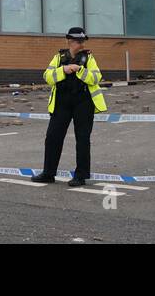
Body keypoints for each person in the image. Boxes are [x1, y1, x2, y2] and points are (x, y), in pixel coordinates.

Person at [30, 27, 106, 187]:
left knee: (83, 139)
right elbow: (47, 77)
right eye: (79, 41)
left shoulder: (89, 58)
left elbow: (96, 77)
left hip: (83, 101)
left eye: (83, 41)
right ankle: (48, 173)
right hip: (62, 101)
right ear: (70, 41)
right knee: (53, 137)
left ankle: (80, 176)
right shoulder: (58, 58)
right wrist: (64, 70)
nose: (82, 44)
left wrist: (80, 71)